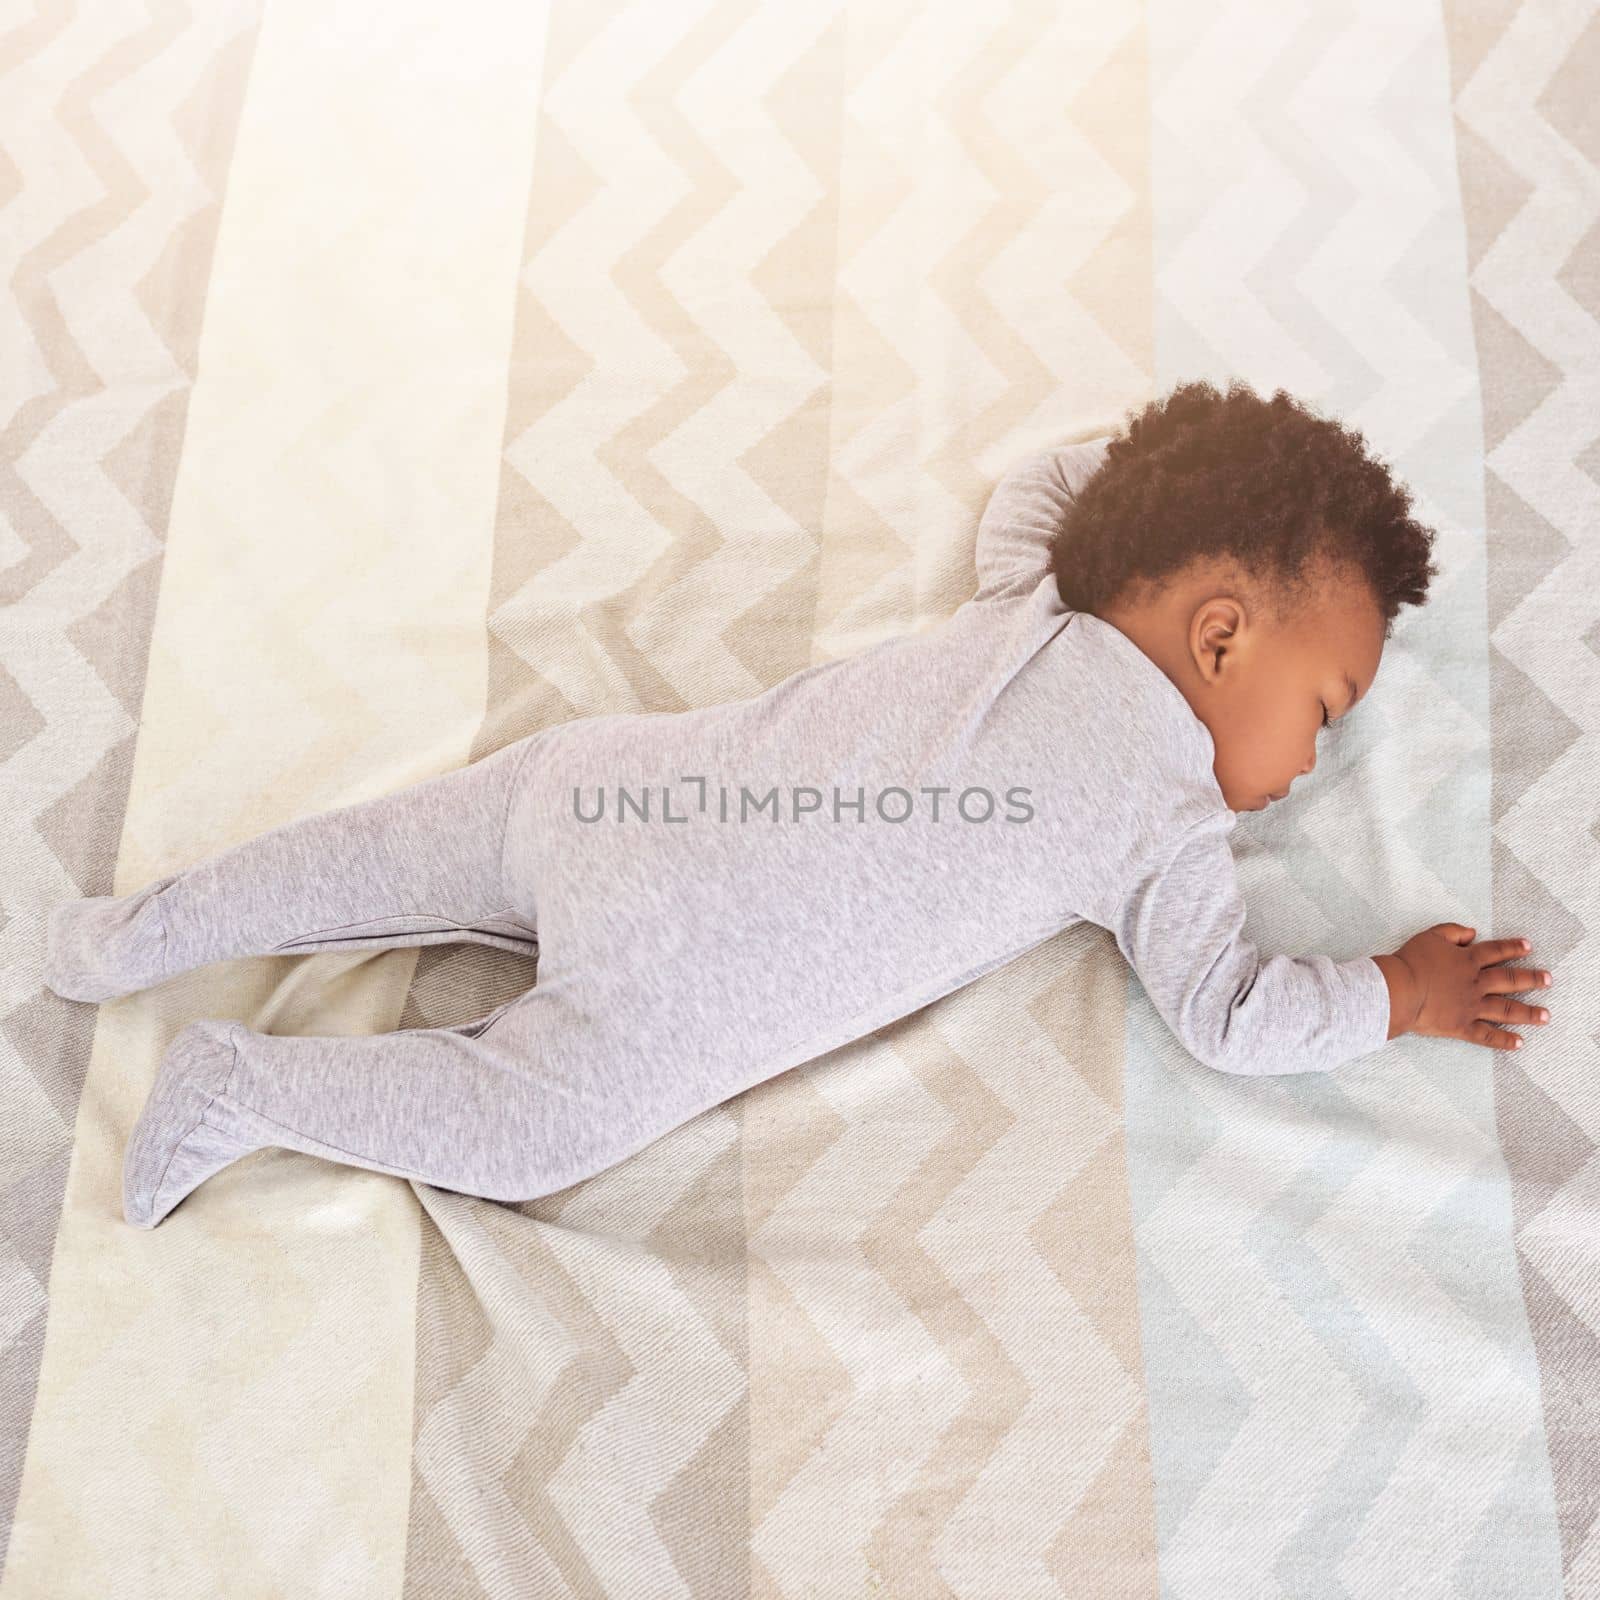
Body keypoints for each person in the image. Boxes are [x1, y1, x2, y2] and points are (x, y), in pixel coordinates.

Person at [43, 378, 1555, 1230]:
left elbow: (1045, 481)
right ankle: (247, 1089)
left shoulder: (1045, 595)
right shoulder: (1159, 815)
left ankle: (129, 936)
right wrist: (1393, 995)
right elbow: (1229, 1012)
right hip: (671, 1002)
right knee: (523, 1129)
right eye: (1323, 710)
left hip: (619, 791)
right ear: (1222, 635)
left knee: (369, 859)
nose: (1308, 766)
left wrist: (1165, 480)